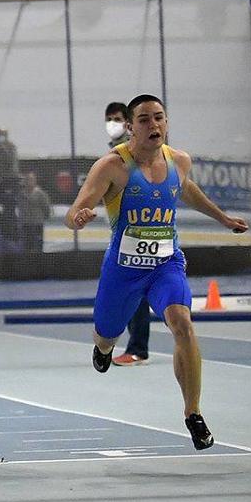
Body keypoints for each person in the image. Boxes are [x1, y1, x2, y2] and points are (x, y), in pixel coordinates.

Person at [65, 94, 247, 450]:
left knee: (183, 323)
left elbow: (187, 191)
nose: (154, 125)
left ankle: (192, 413)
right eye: (145, 120)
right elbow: (75, 210)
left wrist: (222, 217)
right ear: (130, 127)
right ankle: (104, 348)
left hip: (166, 264)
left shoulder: (179, 161)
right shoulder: (112, 167)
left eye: (159, 117)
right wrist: (80, 217)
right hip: (123, 270)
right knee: (105, 335)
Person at [105, 101, 151, 366]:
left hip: (143, 231)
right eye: (109, 118)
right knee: (128, 291)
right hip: (123, 232)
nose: (113, 123)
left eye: (118, 118)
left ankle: (138, 348)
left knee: (138, 291)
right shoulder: (113, 154)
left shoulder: (137, 153)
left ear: (129, 124)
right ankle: (135, 345)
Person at [20, 171, 51, 253]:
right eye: (26, 180)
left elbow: (46, 207)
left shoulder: (40, 194)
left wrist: (44, 218)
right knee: (26, 247)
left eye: (30, 179)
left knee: (38, 246)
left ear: (35, 181)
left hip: (37, 224)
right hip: (25, 224)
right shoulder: (20, 194)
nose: (28, 182)